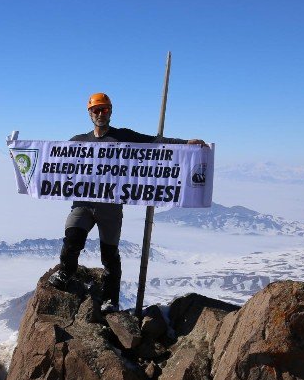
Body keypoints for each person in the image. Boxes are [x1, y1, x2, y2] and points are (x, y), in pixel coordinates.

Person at [48, 92, 207, 313]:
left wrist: (185, 144)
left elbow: (156, 143)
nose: (100, 114)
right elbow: (52, 162)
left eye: (104, 109)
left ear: (110, 111)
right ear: (89, 113)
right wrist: (20, 158)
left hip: (111, 206)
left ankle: (111, 299)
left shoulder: (123, 136)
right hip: (83, 203)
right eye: (96, 110)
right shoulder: (78, 141)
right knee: (73, 237)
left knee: (109, 253)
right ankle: (66, 272)